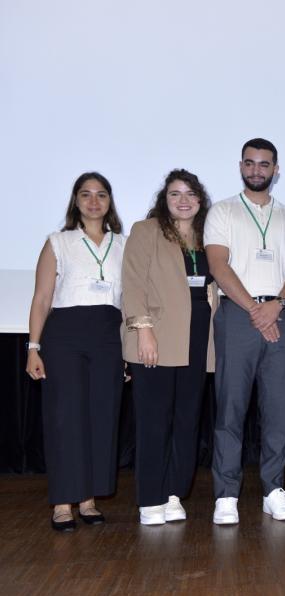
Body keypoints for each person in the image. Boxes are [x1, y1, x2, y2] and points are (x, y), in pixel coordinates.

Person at [205, 138, 285, 524]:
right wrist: (254, 309)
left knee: (278, 409)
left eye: (265, 165)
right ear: (241, 166)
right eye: (250, 163)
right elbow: (218, 266)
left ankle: (273, 489)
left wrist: (275, 306)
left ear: (276, 170)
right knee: (230, 407)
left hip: (279, 311)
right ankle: (226, 493)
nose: (257, 170)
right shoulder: (223, 211)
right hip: (237, 316)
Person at [25, 172, 126, 531]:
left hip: (108, 338)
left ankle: (88, 499)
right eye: (86, 195)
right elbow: (41, 298)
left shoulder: (123, 244)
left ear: (110, 201)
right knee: (66, 419)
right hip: (64, 337)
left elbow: (130, 300)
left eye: (101, 194)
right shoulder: (58, 241)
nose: (94, 201)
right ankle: (63, 503)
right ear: (76, 201)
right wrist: (33, 347)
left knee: (101, 417)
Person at [122, 169, 218, 525]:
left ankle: (175, 493)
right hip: (157, 336)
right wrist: (142, 330)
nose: (183, 200)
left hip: (197, 337)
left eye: (190, 194)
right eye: (175, 194)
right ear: (165, 199)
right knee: (153, 422)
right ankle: (150, 498)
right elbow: (132, 285)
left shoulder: (207, 236)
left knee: (186, 421)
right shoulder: (145, 231)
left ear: (200, 200)